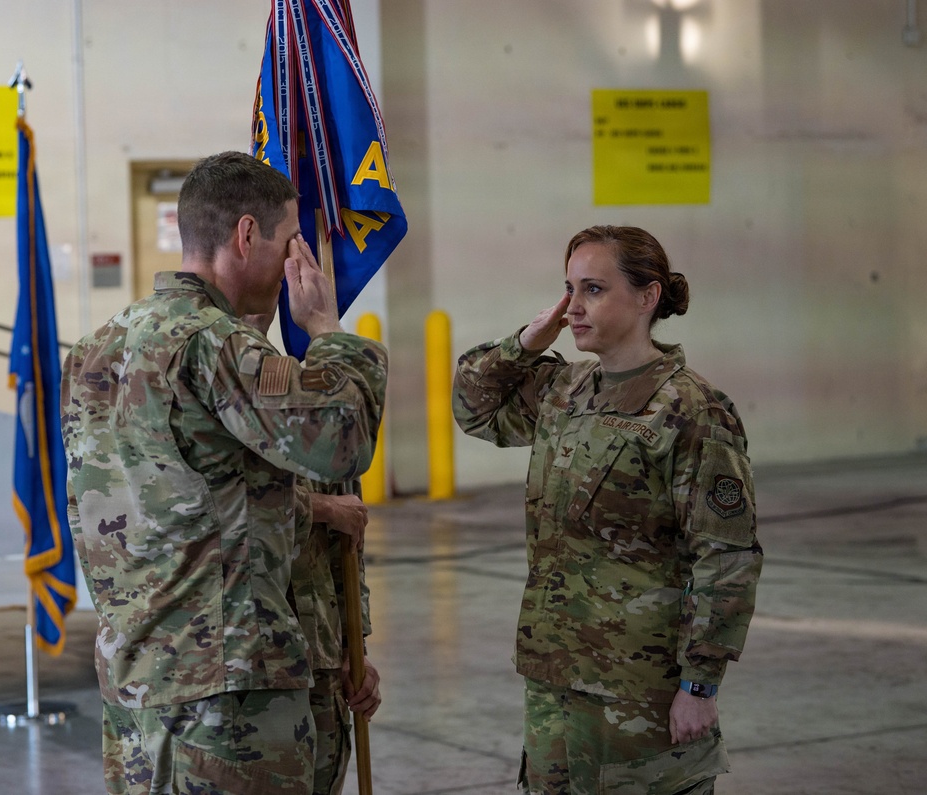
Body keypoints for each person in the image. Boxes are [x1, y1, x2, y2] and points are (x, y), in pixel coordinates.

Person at [60, 151, 388, 795]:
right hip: (227, 690)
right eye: (293, 239)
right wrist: (327, 332)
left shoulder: (97, 346)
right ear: (246, 235)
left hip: (139, 680)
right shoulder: (217, 344)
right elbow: (341, 444)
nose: (301, 257)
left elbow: (191, 499)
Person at [452, 225, 763, 795]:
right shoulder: (564, 392)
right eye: (568, 289)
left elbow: (725, 556)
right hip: (553, 672)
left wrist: (700, 685)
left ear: (647, 297)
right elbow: (472, 405)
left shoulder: (692, 410)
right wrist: (525, 341)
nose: (574, 307)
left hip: (639, 686)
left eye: (593, 289)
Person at [293, 481, 381, 795]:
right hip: (233, 671)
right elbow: (220, 499)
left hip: (321, 662)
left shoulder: (325, 438)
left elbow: (346, 544)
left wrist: (353, 651)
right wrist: (323, 507)